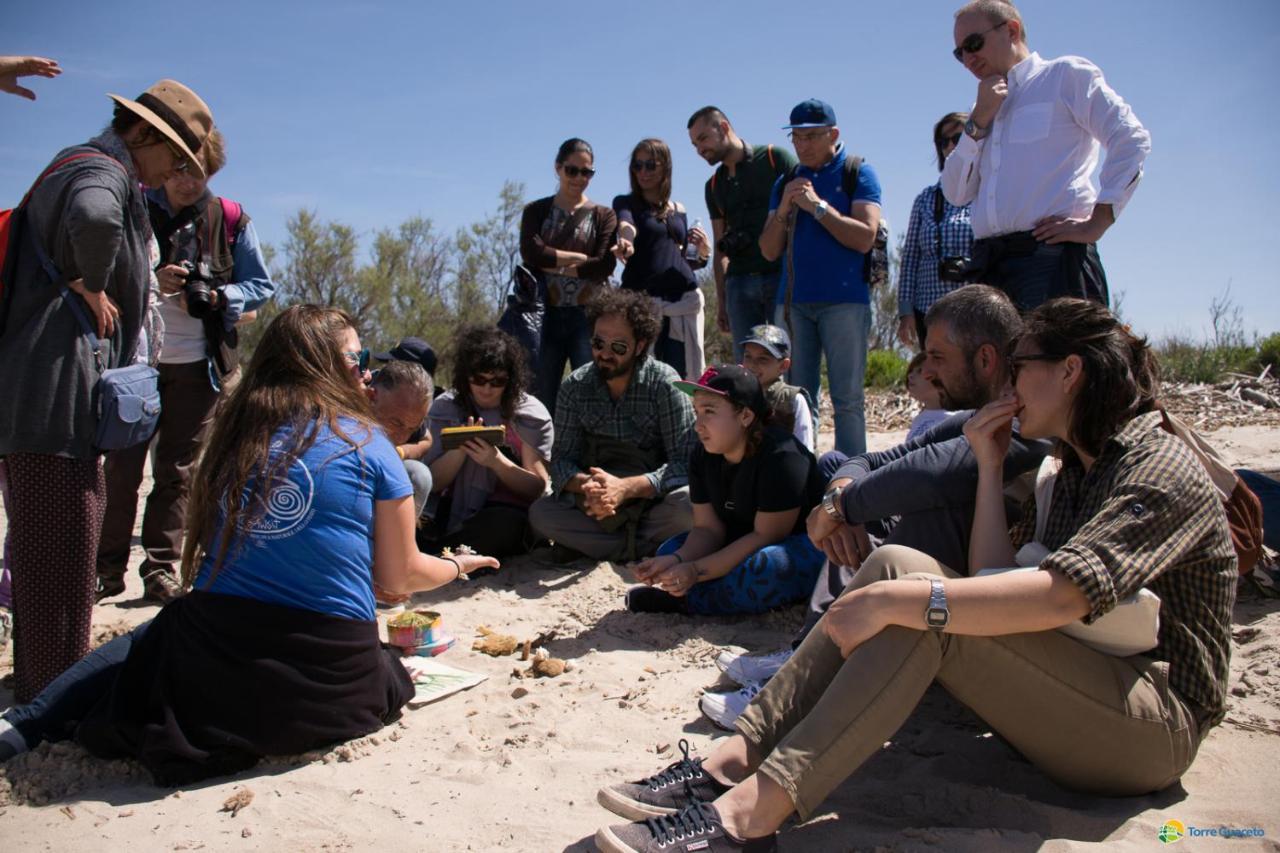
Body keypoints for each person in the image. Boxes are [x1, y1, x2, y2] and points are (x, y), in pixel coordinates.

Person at [593, 298, 1236, 853]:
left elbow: (1061, 593)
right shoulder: (1075, 466)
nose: (1008, 386)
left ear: (1069, 373)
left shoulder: (1156, 466)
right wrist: (987, 466)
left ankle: (747, 817)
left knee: (922, 607)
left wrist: (909, 602)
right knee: (900, 569)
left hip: (1154, 723)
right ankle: (735, 758)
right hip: (1081, 680)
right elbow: (992, 576)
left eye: (1020, 370)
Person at [0, 305, 500, 781]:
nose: (367, 373)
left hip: (218, 670)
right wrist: (457, 568)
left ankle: (26, 724)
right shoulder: (367, 442)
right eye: (358, 359)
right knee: (387, 672)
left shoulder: (238, 438)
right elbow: (398, 579)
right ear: (322, 367)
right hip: (324, 686)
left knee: (164, 630)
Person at [707, 286, 1048, 728]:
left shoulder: (1027, 420)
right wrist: (840, 498)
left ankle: (806, 682)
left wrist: (840, 506)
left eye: (938, 358)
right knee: (838, 470)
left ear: (985, 359)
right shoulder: (979, 414)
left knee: (932, 507)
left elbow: (935, 473)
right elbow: (873, 460)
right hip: (951, 589)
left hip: (990, 608)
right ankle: (808, 649)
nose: (928, 371)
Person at [0, 79, 214, 703]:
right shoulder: (102, 170)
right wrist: (89, 282)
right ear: (142, 133)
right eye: (173, 158)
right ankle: (52, 695)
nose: (170, 173)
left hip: (44, 396)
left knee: (54, 544)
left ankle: (46, 680)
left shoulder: (81, 163)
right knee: (61, 549)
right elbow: (94, 217)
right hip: (51, 397)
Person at [96, 127, 276, 605]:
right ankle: (105, 570)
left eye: (197, 172)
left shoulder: (230, 218)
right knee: (121, 467)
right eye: (178, 170)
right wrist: (152, 280)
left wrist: (221, 294)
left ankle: (159, 569)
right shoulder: (133, 203)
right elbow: (103, 266)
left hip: (202, 362)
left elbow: (261, 285)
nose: (186, 181)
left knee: (178, 471)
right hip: (135, 359)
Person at [942, 0, 1150, 311]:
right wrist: (977, 123)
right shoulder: (981, 110)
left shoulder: (1064, 76)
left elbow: (1130, 138)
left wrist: (1099, 221)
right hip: (989, 266)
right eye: (960, 53)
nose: (969, 58)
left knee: (1057, 360)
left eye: (974, 43)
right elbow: (956, 193)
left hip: (1051, 260)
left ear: (1011, 30)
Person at [627, 364, 825, 617]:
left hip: (794, 544)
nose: (698, 424)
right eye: (696, 411)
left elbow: (766, 536)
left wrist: (695, 570)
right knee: (668, 552)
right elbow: (708, 529)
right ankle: (715, 594)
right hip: (738, 537)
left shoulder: (782, 456)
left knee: (764, 569)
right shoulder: (703, 453)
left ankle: (689, 603)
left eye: (709, 411)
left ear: (745, 416)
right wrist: (677, 561)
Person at [529, 288, 694, 563]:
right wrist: (592, 488)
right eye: (598, 343)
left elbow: (686, 463)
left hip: (652, 502)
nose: (605, 354)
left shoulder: (665, 384)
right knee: (541, 514)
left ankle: (603, 548)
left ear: (640, 346)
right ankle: (642, 548)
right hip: (595, 505)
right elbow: (560, 464)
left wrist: (626, 488)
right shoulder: (575, 386)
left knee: (689, 507)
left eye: (618, 347)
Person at [759, 99, 882, 458]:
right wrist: (784, 208)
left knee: (847, 399)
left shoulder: (858, 172)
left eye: (811, 136)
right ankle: (800, 474)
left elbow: (864, 237)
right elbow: (768, 249)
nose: (802, 145)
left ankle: (853, 479)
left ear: (834, 134)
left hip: (845, 302)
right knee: (796, 395)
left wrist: (818, 208)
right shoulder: (785, 181)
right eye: (796, 137)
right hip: (793, 303)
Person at [423, 325, 553, 557]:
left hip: (504, 511)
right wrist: (460, 450)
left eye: (497, 381)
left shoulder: (530, 415)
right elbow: (432, 483)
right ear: (465, 376)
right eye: (478, 379)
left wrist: (495, 462)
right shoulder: (445, 408)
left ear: (511, 380)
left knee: (500, 526)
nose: (486, 388)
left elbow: (537, 487)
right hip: (449, 508)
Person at [687, 107, 797, 362]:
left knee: (789, 358)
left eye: (703, 139)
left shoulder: (773, 158)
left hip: (781, 276)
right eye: (694, 144)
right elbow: (720, 247)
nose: (700, 150)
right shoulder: (713, 185)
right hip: (739, 283)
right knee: (746, 368)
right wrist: (723, 300)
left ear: (724, 128)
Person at [519, 138, 618, 415]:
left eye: (586, 172)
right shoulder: (536, 211)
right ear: (558, 168)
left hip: (586, 317)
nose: (579, 178)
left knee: (591, 390)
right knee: (541, 394)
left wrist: (554, 261)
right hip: (544, 316)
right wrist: (577, 260)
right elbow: (531, 253)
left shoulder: (603, 215)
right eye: (572, 170)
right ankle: (542, 456)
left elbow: (603, 264)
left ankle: (589, 456)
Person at [612, 138, 710, 378]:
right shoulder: (626, 203)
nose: (643, 172)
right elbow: (626, 225)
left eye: (650, 165)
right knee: (642, 377)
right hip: (643, 304)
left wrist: (705, 252)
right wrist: (625, 241)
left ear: (665, 167)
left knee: (680, 378)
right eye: (638, 165)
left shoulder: (678, 210)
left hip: (683, 302)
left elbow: (679, 258)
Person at [896, 112, 976, 349]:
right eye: (944, 141)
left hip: (975, 310)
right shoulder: (926, 199)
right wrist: (905, 312)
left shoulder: (989, 195)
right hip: (929, 308)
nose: (951, 146)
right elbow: (910, 258)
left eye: (958, 138)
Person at [369, 360, 435, 521]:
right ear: (371, 397)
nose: (402, 437)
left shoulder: (409, 411)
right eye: (396, 423)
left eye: (411, 429)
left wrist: (400, 452)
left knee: (419, 475)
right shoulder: (345, 405)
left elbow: (427, 439)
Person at [738, 324, 814, 452]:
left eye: (763, 359)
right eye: (748, 357)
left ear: (784, 365)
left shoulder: (792, 399)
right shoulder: (736, 394)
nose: (752, 365)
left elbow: (805, 450)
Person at [904, 351, 953, 442]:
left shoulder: (953, 421)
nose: (910, 376)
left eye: (920, 371)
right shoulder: (920, 418)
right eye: (911, 371)